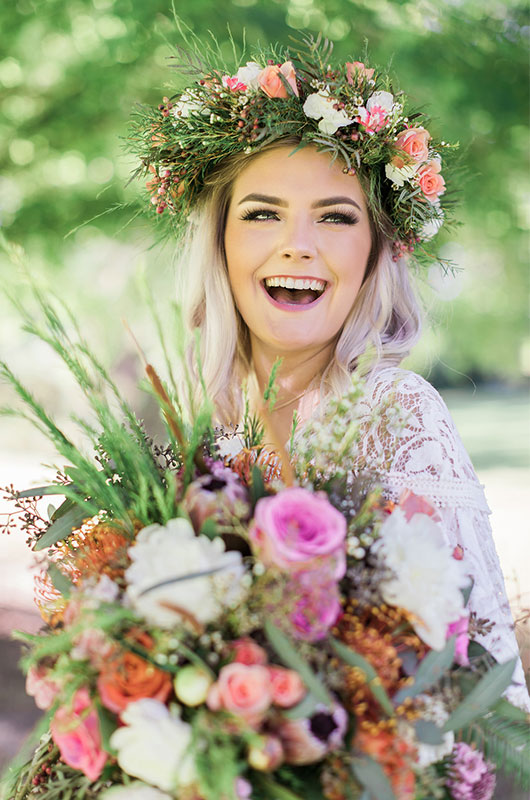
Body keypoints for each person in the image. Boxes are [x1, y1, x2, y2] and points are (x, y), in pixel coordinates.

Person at [132, 43, 529, 709]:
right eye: (262, 213)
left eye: (336, 217)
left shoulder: (398, 413)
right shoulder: (200, 426)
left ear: (376, 254)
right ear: (220, 242)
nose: (299, 245)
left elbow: (487, 707)